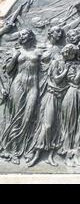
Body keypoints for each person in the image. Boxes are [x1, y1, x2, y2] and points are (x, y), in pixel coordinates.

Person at [1, 29, 41, 165]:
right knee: (17, 117)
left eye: (24, 34)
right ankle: (12, 150)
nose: (21, 36)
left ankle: (27, 148)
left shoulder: (37, 51)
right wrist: (14, 57)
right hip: (18, 84)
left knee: (30, 116)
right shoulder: (15, 51)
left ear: (30, 37)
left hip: (33, 85)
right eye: (20, 35)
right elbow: (7, 69)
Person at [26, 45, 70, 167]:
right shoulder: (56, 62)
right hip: (51, 95)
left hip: (63, 97)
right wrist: (66, 70)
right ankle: (37, 154)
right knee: (47, 125)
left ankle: (50, 156)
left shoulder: (71, 64)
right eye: (66, 51)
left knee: (58, 127)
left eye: (70, 53)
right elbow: (56, 79)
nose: (67, 54)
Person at [57, 44, 80, 166]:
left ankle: (76, 152)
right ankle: (68, 154)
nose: (73, 56)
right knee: (70, 125)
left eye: (74, 54)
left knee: (78, 126)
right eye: (72, 53)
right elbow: (74, 80)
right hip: (72, 94)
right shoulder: (69, 65)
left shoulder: (78, 64)